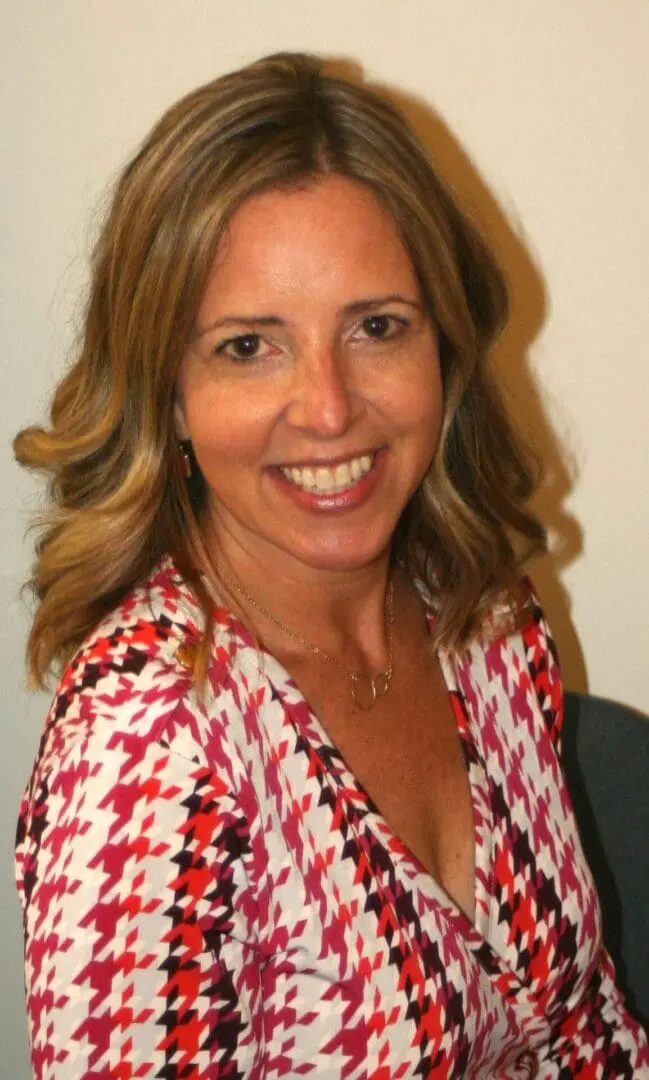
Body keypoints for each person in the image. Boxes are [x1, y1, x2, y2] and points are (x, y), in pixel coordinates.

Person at [13, 52, 647, 1080]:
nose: (328, 407)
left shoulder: (482, 621)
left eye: (376, 328)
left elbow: (581, 1027)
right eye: (248, 346)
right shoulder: (148, 744)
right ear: (167, 391)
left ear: (443, 345)